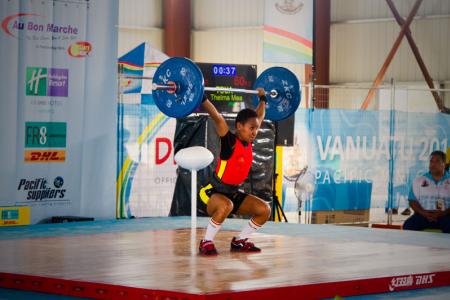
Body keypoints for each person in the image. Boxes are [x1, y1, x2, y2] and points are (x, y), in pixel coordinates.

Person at [198, 88, 271, 255]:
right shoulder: (229, 141)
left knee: (264, 210)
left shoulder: (249, 141)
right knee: (227, 205)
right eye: (251, 128)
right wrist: (201, 97)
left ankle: (239, 241)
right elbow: (217, 118)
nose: (254, 132)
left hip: (233, 193)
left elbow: (260, 116)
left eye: (256, 129)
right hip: (212, 192)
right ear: (239, 126)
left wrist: (263, 99)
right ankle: (206, 242)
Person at [403, 150, 450, 233]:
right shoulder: (419, 180)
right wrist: (424, 213)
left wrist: (442, 213)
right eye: (431, 161)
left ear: (444, 164)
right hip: (423, 215)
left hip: (445, 216)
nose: (433, 164)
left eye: (437, 161)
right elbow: (412, 201)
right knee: (408, 225)